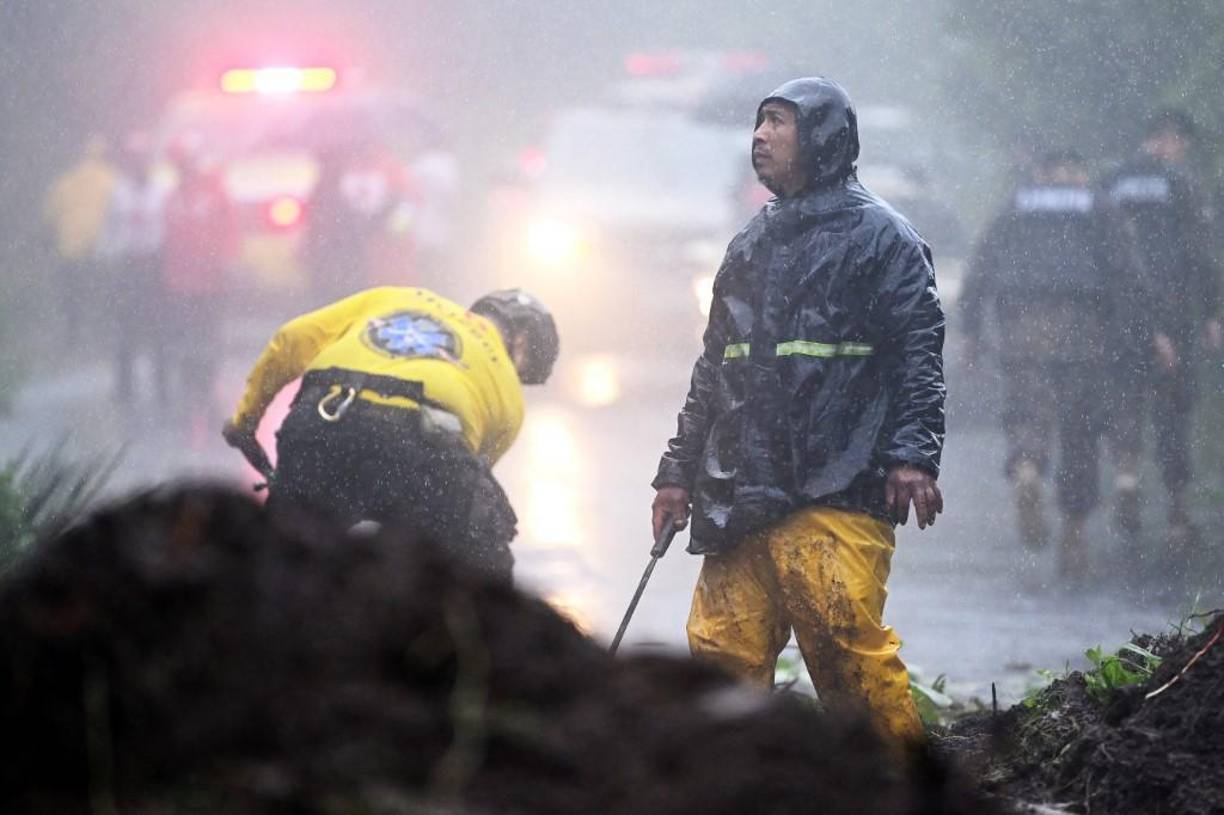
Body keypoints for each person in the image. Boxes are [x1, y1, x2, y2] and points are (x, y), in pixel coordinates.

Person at [650, 77, 945, 749]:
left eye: (778, 123)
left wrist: (913, 456)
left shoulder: (885, 240)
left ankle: (901, 791)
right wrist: (676, 474)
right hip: (739, 498)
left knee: (851, 662)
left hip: (836, 489)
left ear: (822, 139)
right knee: (717, 669)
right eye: (758, 124)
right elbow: (713, 372)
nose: (760, 137)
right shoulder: (749, 245)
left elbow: (917, 355)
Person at [222, 287, 558, 581]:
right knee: (479, 563)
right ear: (522, 343)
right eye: (526, 370)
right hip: (421, 447)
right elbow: (465, 486)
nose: (520, 378)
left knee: (282, 561)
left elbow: (292, 339)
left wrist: (246, 420)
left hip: (322, 421)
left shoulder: (399, 296)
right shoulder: (511, 402)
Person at [959, 150, 1147, 579]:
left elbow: (981, 266)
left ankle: (1027, 467)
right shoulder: (1100, 206)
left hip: (1024, 326)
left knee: (1027, 411)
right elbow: (1126, 273)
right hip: (1086, 331)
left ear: (1040, 173)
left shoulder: (1016, 205)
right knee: (1080, 429)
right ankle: (1074, 532)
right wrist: (1132, 335)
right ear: (1079, 172)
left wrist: (971, 328)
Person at [1104, 109, 1222, 555]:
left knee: (1125, 398)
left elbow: (1099, 249)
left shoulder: (1111, 181)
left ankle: (1126, 478)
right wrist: (1211, 312)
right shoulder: (1182, 183)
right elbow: (1201, 252)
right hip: (1174, 309)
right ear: (1171, 139)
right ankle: (1177, 511)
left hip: (1119, 314)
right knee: (1174, 411)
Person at [161, 144, 237, 421]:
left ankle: (206, 382)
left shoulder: (215, 196)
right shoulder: (172, 199)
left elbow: (229, 233)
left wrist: (225, 263)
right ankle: (192, 382)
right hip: (180, 282)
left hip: (210, 282)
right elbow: (168, 239)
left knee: (209, 335)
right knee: (186, 336)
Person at [97, 134, 168, 402]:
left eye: (142, 158)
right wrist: (108, 260)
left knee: (159, 330)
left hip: (154, 266)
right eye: (133, 158)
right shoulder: (118, 192)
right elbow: (110, 230)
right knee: (126, 330)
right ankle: (124, 387)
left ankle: (162, 387)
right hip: (128, 269)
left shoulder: (162, 190)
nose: (137, 164)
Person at [42, 134, 118, 344]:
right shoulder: (113, 180)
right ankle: (99, 335)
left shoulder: (65, 182)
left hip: (70, 248)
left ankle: (73, 335)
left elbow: (49, 215)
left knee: (73, 295)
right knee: (100, 294)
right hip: (100, 249)